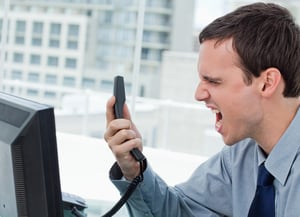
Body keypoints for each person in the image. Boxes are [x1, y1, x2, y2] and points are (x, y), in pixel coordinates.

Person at [104, 2, 300, 217]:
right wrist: (134, 169)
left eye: (213, 81)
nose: (199, 94)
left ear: (267, 82)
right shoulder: (240, 156)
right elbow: (181, 211)